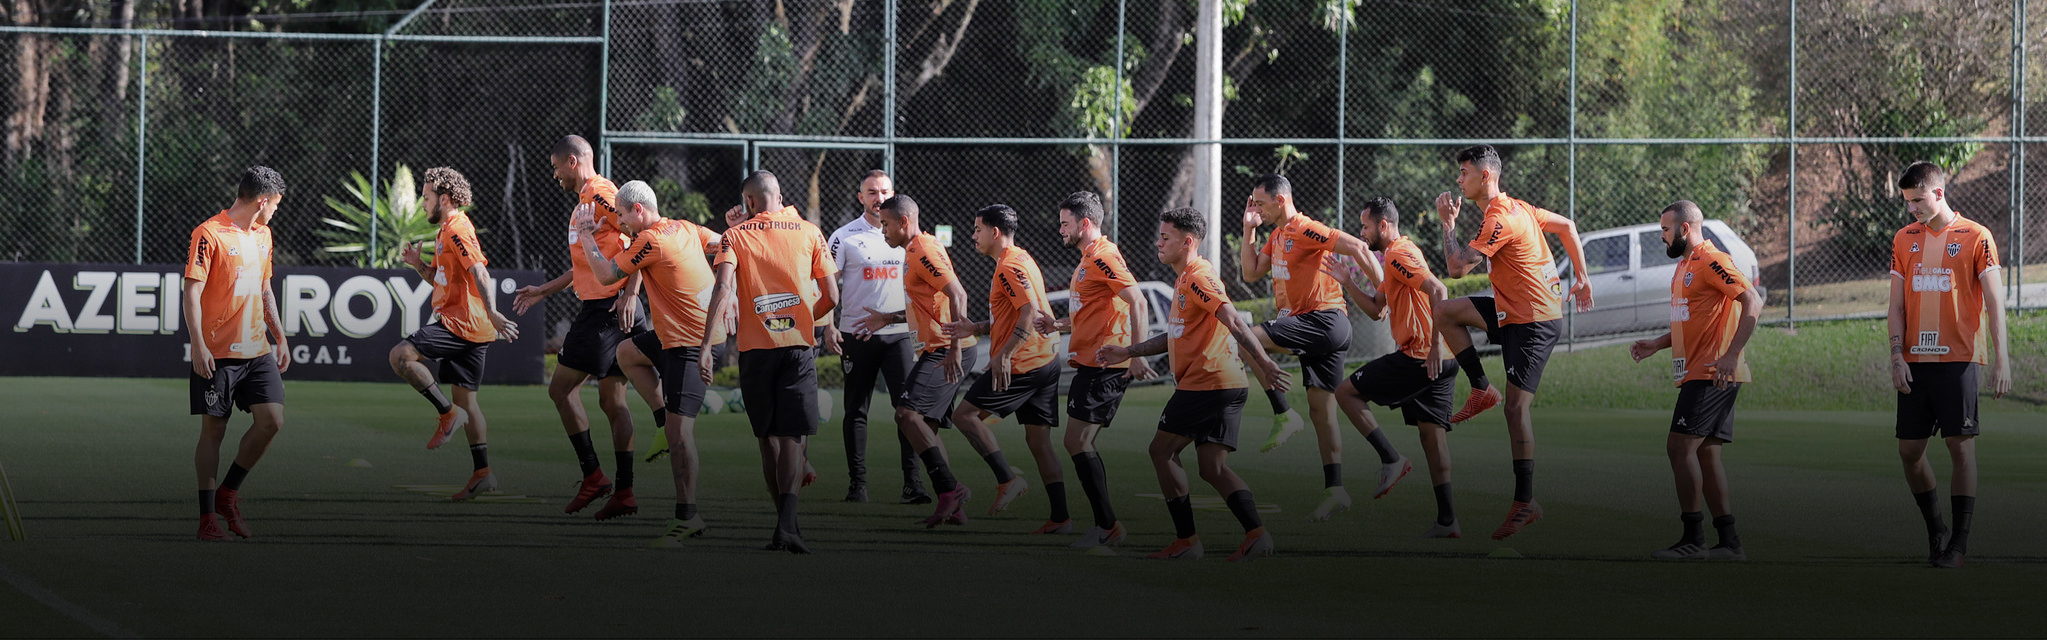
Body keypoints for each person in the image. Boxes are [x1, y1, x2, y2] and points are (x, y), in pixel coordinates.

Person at [1099, 207, 1289, 561]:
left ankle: (1187, 541)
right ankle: (1258, 535)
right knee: (1212, 467)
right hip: (1223, 383)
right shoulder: (1185, 277)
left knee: (1161, 450)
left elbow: (1232, 318)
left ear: (1187, 242)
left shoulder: (1199, 276)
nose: (1158, 243)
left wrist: (1264, 361)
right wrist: (1128, 350)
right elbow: (1171, 336)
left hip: (1208, 383)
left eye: (1165, 237)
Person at [1431, 144, 1594, 540]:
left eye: (1465, 172)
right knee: (1446, 313)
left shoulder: (1501, 217)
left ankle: (1525, 502)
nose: (1459, 179)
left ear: (1485, 176)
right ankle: (1481, 389)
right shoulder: (1520, 207)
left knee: (1516, 409)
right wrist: (1582, 277)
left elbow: (1455, 267)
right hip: (1513, 311)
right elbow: (1569, 226)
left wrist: (1447, 225)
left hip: (1533, 321)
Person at [1236, 174, 1401, 521]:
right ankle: (1367, 471)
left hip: (1323, 321)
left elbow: (1357, 247)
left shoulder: (1305, 228)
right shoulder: (1277, 236)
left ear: (1281, 201)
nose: (1257, 209)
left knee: (1244, 337)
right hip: (1319, 328)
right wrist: (1249, 229)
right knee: (1322, 413)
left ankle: (1282, 412)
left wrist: (1383, 291)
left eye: (1261, 204)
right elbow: (1250, 272)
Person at [510, 135, 650, 517]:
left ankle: (594, 476)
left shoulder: (602, 194)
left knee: (560, 390)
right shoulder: (584, 204)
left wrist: (631, 293)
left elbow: (643, 234)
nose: (554, 175)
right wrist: (544, 290)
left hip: (608, 309)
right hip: (613, 307)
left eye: (556, 167)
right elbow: (585, 267)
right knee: (612, 401)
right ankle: (624, 492)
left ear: (572, 162)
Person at [577, 180, 725, 539]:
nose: (620, 221)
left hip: (691, 345)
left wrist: (586, 236)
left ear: (638, 210)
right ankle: (662, 418)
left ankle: (688, 517)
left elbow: (606, 274)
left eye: (622, 214)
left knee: (681, 433)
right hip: (677, 338)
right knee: (626, 352)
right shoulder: (686, 228)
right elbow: (726, 244)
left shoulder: (651, 240)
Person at [701, 170, 839, 554]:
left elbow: (723, 287)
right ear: (780, 196)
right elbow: (831, 295)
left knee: (767, 440)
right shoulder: (810, 232)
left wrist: (705, 345)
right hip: (798, 347)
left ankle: (785, 525)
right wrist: (805, 318)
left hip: (755, 350)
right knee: (792, 438)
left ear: (748, 203)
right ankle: (788, 525)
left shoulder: (736, 236)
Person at [1884, 161, 2012, 569]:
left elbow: (1994, 304)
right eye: (1907, 202)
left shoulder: (1977, 236)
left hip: (1958, 359)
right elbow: (1896, 305)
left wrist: (2000, 360)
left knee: (1960, 447)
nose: (1912, 209)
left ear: (1938, 193)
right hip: (1915, 363)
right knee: (1909, 451)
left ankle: (1958, 543)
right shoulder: (1904, 239)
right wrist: (1895, 354)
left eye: (1917, 200)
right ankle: (1936, 528)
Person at [1628, 200, 1762, 561]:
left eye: (1665, 230)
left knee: (1679, 447)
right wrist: (1656, 344)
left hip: (1712, 373)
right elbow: (1691, 321)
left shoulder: (1711, 259)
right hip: (1699, 372)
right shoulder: (1685, 265)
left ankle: (1694, 539)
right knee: (1704, 454)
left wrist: (1731, 355)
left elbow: (1752, 300)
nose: (1661, 236)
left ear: (1684, 229)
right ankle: (1730, 543)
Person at [1325, 198, 1457, 536]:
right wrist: (1347, 281)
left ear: (1384, 226)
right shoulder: (1394, 257)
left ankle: (1391, 458)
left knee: (1345, 392)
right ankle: (1447, 521)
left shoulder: (1399, 253)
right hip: (1443, 361)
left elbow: (1438, 288)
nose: (1362, 232)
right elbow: (1376, 310)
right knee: (1431, 437)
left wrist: (1433, 346)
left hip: (1420, 357)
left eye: (1366, 226)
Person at [389, 167, 520, 501]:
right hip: (474, 329)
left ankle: (447, 414)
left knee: (400, 356)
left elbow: (479, 270)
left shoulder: (457, 229)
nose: (422, 203)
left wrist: (492, 311)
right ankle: (483, 473)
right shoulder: (447, 229)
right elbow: (444, 280)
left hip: (461, 325)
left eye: (427, 197)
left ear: (444, 199)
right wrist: (419, 265)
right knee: (468, 403)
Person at [1034, 191, 1151, 547]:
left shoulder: (1102, 255)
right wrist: (1059, 325)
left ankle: (1108, 527)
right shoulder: (1089, 258)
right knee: (1080, 443)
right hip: (1092, 363)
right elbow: (1095, 310)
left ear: (1085, 224)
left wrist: (1137, 354)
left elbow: (1138, 300)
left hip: (1105, 364)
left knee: (1076, 441)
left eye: (1065, 224)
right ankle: (1105, 526)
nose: (1060, 230)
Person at [186, 166, 291, 541]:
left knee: (272, 421)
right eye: (276, 205)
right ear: (263, 201)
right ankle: (207, 518)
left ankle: (229, 495)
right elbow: (191, 294)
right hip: (217, 353)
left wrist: (278, 334)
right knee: (214, 431)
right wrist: (198, 344)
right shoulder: (209, 233)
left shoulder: (264, 235)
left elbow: (264, 288)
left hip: (257, 349)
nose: (276, 211)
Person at [873, 195, 985, 528]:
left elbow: (958, 294)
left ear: (903, 222)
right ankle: (952, 506)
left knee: (906, 414)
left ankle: (950, 490)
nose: (883, 231)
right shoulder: (914, 251)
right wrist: (889, 317)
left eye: (886, 224)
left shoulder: (923, 249)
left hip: (946, 348)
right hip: (939, 347)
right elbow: (928, 302)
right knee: (928, 430)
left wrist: (953, 348)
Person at [944, 205, 1059, 523]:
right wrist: (975, 328)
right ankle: (1061, 518)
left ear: (995, 232)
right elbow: (1009, 315)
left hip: (1024, 362)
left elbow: (1028, 312)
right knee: (1039, 441)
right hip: (1046, 358)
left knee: (964, 416)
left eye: (977, 229)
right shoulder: (1022, 258)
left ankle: (1007, 479)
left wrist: (1004, 355)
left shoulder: (1009, 266)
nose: (973, 236)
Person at [824, 170, 928, 504]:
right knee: (855, 410)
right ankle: (858, 485)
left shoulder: (907, 236)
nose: (878, 197)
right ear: (861, 197)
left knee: (907, 410)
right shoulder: (844, 236)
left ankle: (913, 484)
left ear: (893, 193)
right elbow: (826, 286)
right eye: (871, 192)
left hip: (899, 336)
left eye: (883, 191)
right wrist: (829, 325)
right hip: (858, 335)